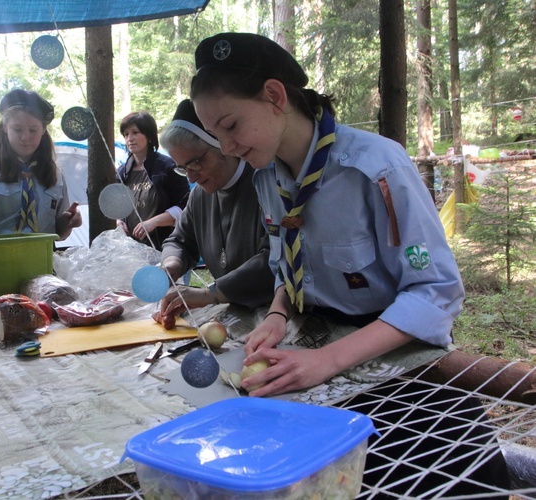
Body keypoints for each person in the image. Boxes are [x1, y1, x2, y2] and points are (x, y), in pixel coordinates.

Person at [190, 32, 510, 497]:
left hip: (400, 364)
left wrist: (327, 361)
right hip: (319, 354)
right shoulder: (268, 179)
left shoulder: (376, 167)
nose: (227, 147)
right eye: (216, 135)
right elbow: (287, 264)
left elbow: (434, 290)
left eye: (231, 125)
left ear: (275, 96)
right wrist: (279, 313)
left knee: (441, 483)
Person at [155, 99, 273, 323]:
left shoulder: (264, 184)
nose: (190, 177)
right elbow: (180, 240)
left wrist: (210, 294)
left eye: (196, 163)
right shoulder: (200, 195)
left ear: (224, 145)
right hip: (233, 315)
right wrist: (171, 265)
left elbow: (274, 259)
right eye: (182, 168)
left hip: (274, 315)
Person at [0, 89, 81, 241]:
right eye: (17, 129)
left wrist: (67, 223)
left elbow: (59, 235)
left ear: (43, 130)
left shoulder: (56, 174)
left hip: (42, 260)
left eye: (33, 130)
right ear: (5, 128)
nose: (25, 137)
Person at [116, 111, 189, 249]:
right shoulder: (122, 173)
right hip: (131, 250)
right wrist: (118, 221)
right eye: (126, 134)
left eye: (135, 132)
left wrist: (154, 222)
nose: (129, 138)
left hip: (165, 246)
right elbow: (117, 207)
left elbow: (185, 206)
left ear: (148, 135)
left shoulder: (168, 167)